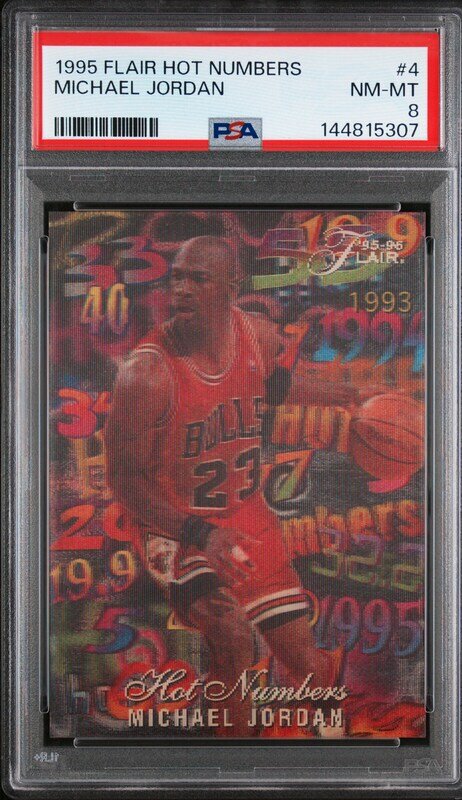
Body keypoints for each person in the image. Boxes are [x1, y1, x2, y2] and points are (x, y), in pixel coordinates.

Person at [105, 236, 356, 736]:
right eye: (177, 277)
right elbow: (123, 480)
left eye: (197, 278)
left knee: (307, 665)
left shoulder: (256, 336)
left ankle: (339, 751)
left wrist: (357, 396)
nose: (181, 289)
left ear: (231, 288)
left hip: (245, 515)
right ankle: (232, 756)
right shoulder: (145, 373)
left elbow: (278, 389)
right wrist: (199, 533)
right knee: (231, 634)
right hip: (173, 524)